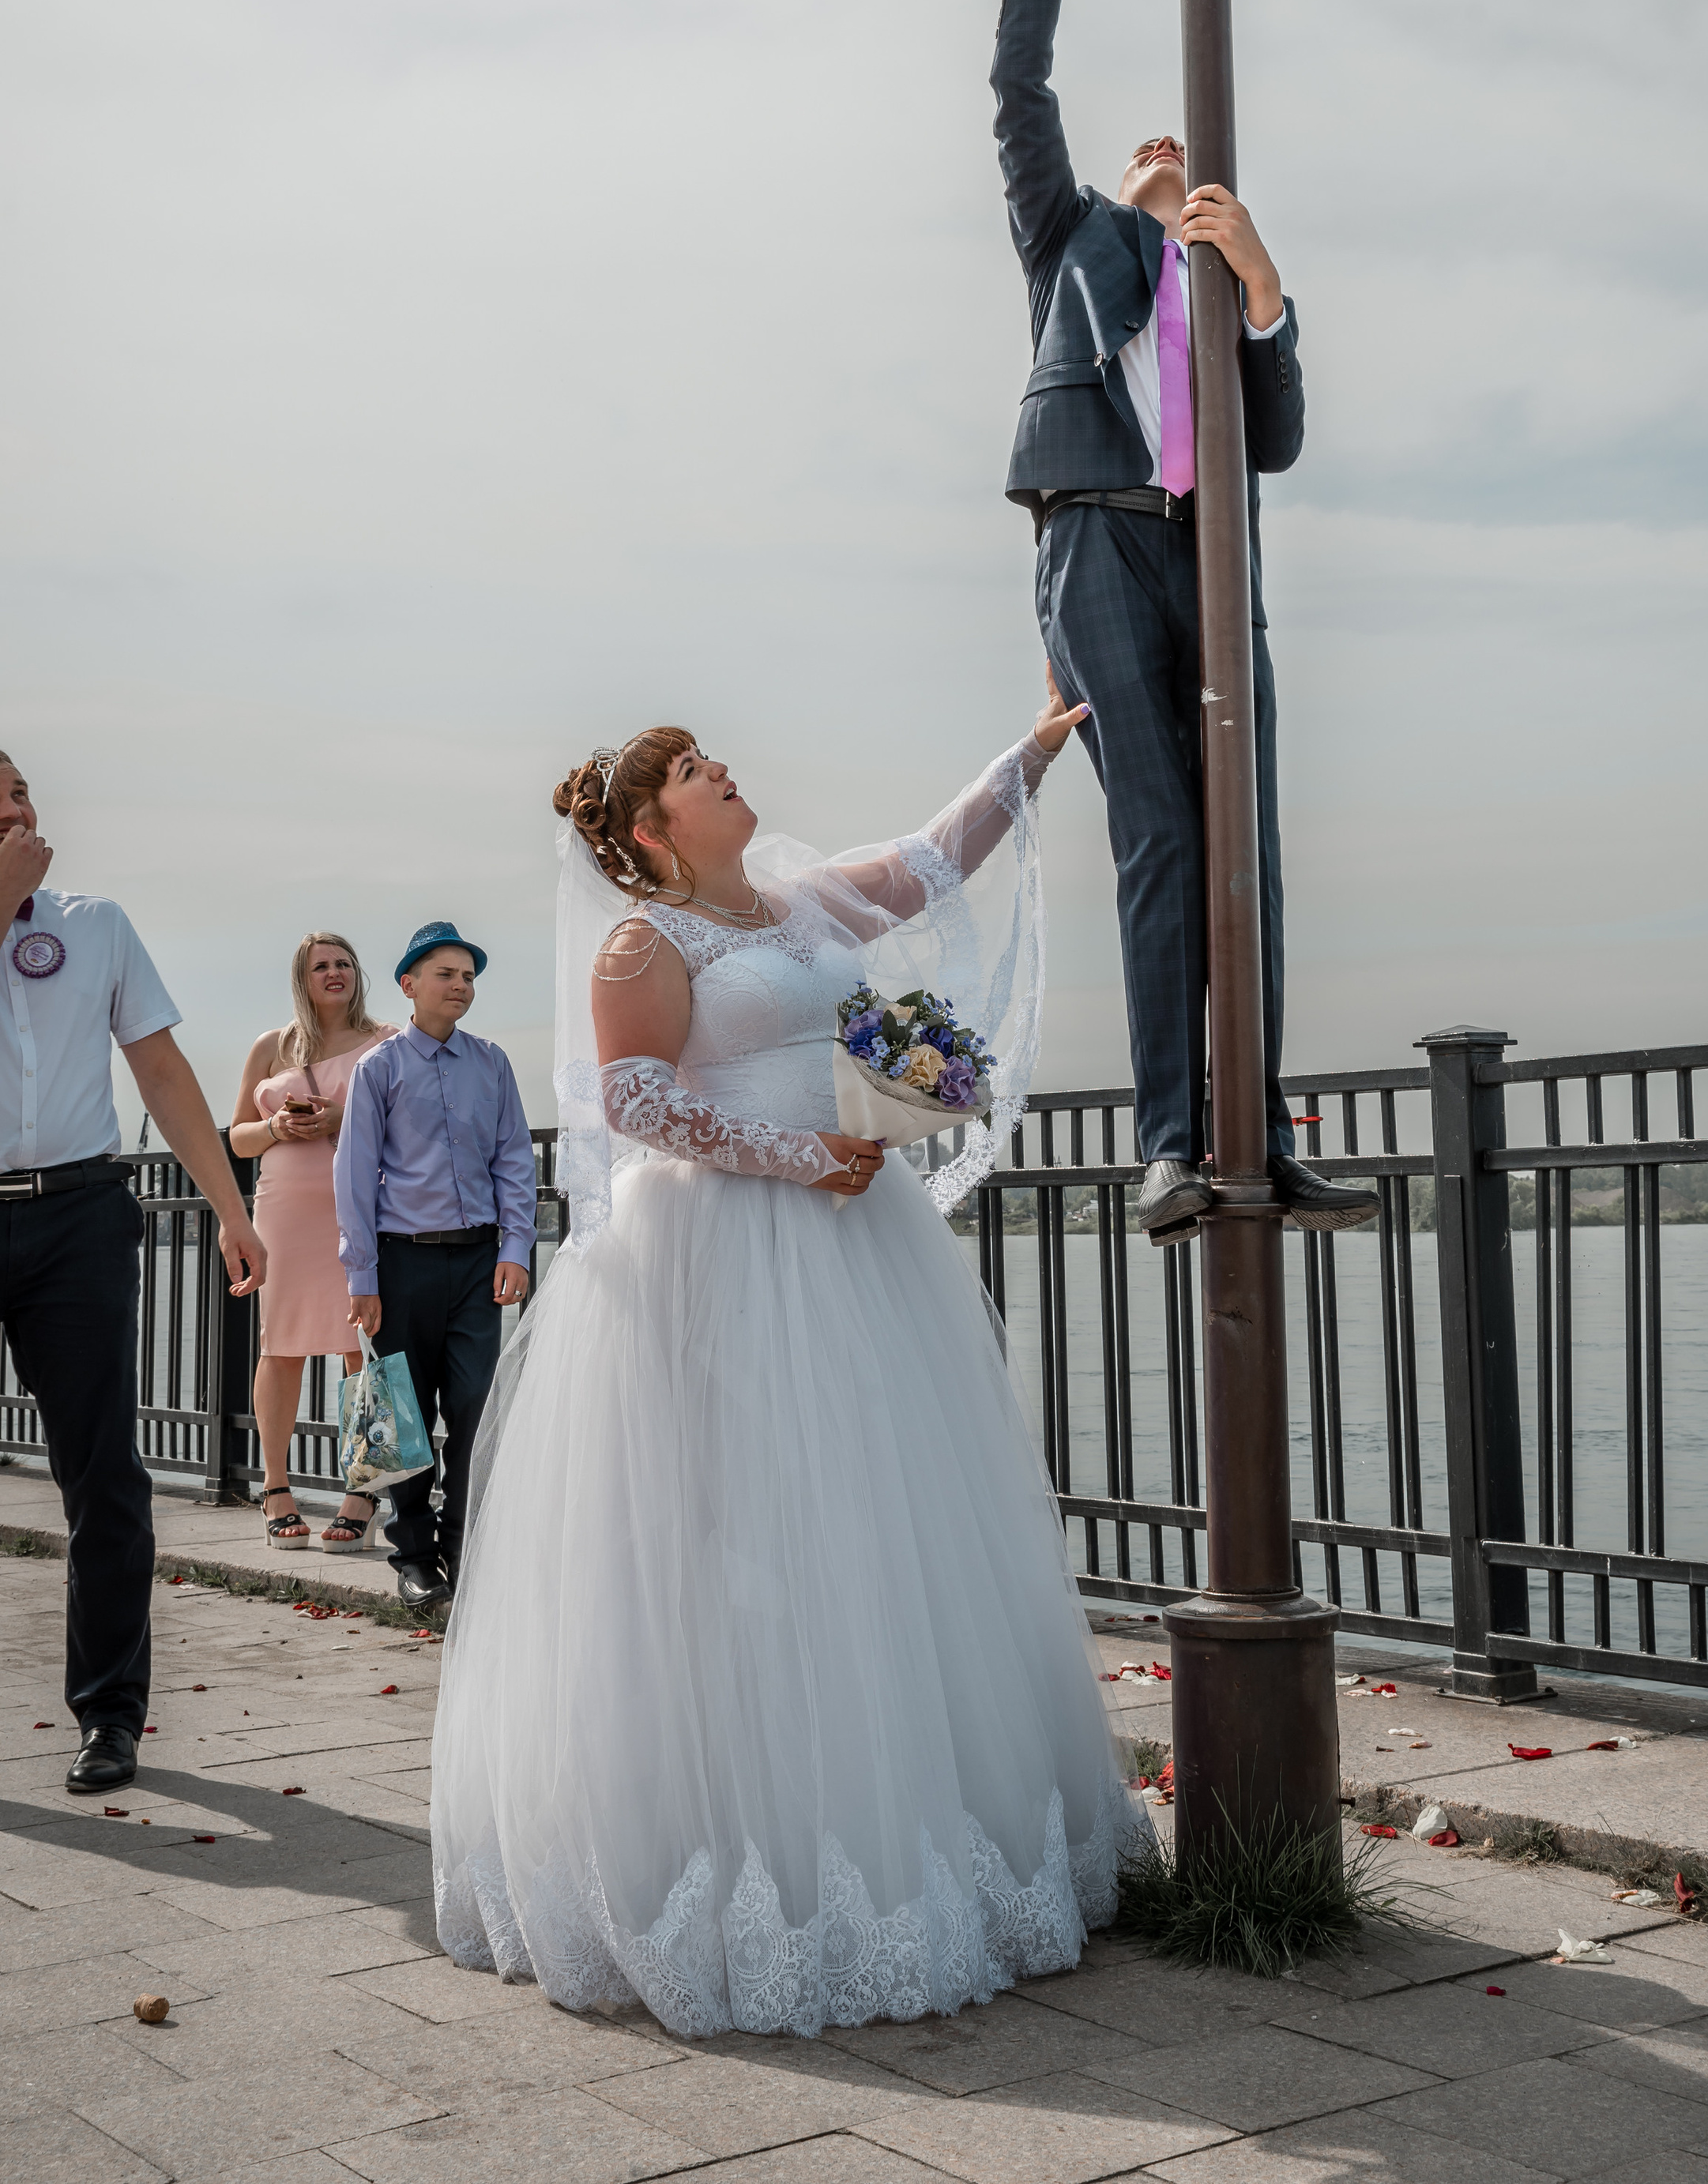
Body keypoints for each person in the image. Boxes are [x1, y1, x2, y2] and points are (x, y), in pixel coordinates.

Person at [428, 684, 1146, 2039]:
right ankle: (741, 1856)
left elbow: (935, 856)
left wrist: (1037, 751)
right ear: (650, 828)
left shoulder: (799, 904)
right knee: (742, 1531)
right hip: (722, 1249)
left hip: (853, 1237)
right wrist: (798, 1151)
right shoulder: (646, 943)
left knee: (878, 1514)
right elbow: (634, 1099)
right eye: (699, 772)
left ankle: (907, 1823)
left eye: (716, 759)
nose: (727, 774)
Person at [992, 0, 1375, 1247]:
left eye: (1181, 152)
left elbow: (1269, 439)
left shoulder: (1217, 282)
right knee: (1160, 834)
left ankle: (1256, 1129)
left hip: (1218, 569)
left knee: (1248, 850)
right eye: (1148, 149)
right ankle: (1169, 1142)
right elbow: (1015, 94)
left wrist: (1264, 281)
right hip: (1096, 543)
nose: (1168, 149)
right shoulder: (1075, 245)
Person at [0, 746, 265, 1797]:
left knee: (105, 1475)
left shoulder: (95, 921)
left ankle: (110, 1712)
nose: (18, 808)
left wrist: (231, 1208)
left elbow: (158, 1064)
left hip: (78, 1213)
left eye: (20, 790)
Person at [333, 925, 535, 1611]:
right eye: (446, 973)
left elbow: (513, 1159)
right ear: (409, 984)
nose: (460, 985)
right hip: (402, 1263)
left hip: (480, 1261)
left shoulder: (493, 1063)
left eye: (469, 976)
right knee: (406, 1415)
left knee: (477, 1407)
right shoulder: (379, 1067)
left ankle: (463, 1547)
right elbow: (355, 1175)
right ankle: (415, 1557)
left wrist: (515, 1249)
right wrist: (362, 1277)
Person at [230, 933, 393, 1551]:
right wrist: (276, 1124)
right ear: (302, 977)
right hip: (286, 1213)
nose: (334, 972)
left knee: (365, 1347)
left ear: (358, 973)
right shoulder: (273, 1046)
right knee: (282, 1346)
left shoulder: (387, 1039)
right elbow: (239, 1138)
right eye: (321, 965)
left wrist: (339, 1119)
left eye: (344, 963)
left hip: (363, 1211)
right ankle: (274, 1490)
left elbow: (412, 1119)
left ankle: (363, 1489)